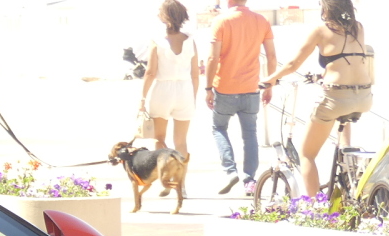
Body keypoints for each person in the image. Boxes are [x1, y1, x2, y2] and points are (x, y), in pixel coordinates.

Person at [259, 0, 370, 198]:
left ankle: (313, 205)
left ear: (326, 7)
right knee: (342, 118)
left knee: (307, 154)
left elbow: (294, 63)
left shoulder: (321, 30)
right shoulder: (358, 28)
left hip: (336, 98)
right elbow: (348, 59)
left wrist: (270, 79)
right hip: (363, 97)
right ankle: (346, 162)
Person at [204, 0, 276, 195]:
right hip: (251, 87)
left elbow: (212, 58)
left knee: (219, 128)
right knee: (250, 134)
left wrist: (208, 88)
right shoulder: (261, 21)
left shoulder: (221, 21)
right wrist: (269, 85)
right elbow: (271, 56)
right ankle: (249, 180)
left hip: (225, 88)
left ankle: (230, 171)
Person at [139, 0, 199, 159]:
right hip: (185, 90)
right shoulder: (190, 41)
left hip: (162, 91)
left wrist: (142, 99)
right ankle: (180, 182)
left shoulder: (157, 41)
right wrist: (193, 97)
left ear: (165, 16)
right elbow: (195, 74)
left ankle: (164, 176)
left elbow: (150, 72)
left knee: (159, 138)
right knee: (181, 142)